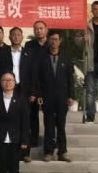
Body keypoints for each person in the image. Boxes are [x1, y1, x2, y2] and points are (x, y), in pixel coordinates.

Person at [36, 31, 74, 163]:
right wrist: (39, 95)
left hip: (62, 97)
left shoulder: (66, 57)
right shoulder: (42, 57)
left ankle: (62, 152)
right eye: (51, 39)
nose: (54, 42)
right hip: (47, 97)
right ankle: (48, 152)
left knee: (61, 125)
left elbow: (70, 78)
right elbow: (38, 78)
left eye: (56, 39)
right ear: (48, 41)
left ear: (60, 41)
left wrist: (71, 96)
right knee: (49, 125)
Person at [8, 27, 35, 162]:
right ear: (9, 37)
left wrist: (33, 92)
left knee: (25, 120)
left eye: (18, 35)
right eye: (14, 35)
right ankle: (11, 151)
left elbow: (34, 74)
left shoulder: (29, 53)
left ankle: (25, 152)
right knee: (9, 120)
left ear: (22, 37)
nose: (16, 37)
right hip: (8, 88)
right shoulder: (4, 53)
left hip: (23, 89)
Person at [23, 20, 49, 152]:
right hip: (33, 84)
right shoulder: (29, 45)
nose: (38, 31)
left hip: (48, 86)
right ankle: (33, 140)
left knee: (49, 115)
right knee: (32, 115)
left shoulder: (51, 44)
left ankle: (50, 141)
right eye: (36, 29)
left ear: (46, 29)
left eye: (41, 28)